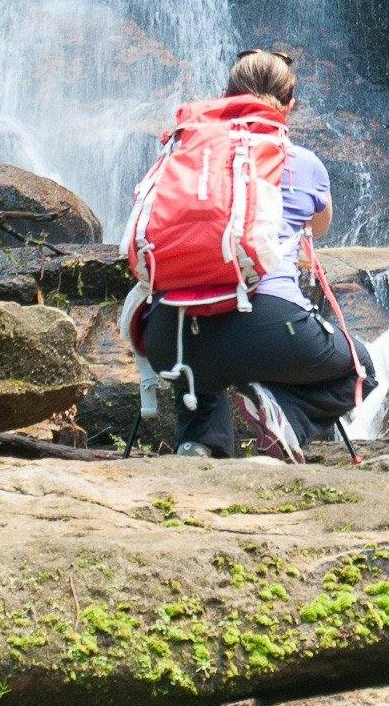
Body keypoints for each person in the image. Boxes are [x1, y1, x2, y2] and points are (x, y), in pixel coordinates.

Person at [136, 49, 364, 459]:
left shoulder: (182, 156)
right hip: (269, 329)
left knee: (199, 326)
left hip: (170, 335)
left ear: (226, 96)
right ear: (289, 105)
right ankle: (286, 418)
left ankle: (200, 443)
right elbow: (318, 228)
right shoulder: (304, 164)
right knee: (361, 366)